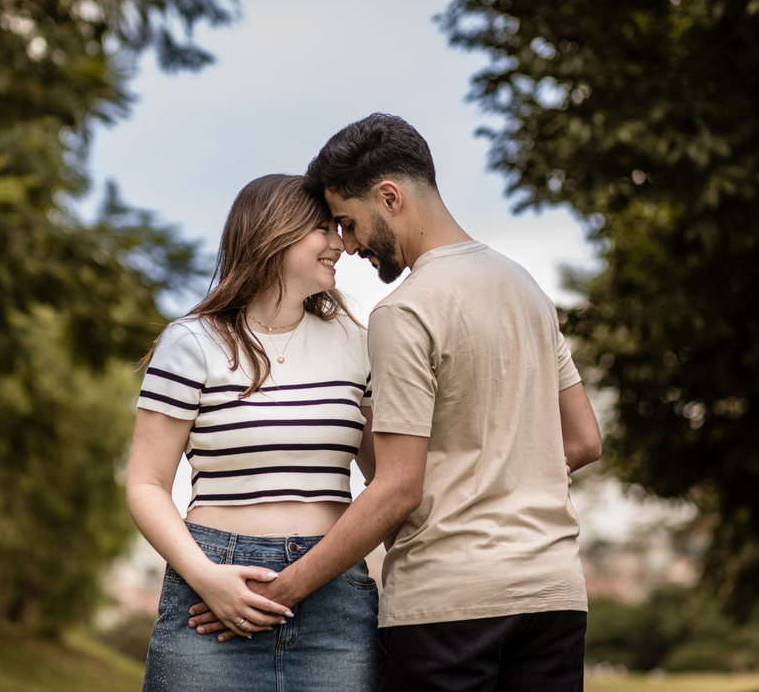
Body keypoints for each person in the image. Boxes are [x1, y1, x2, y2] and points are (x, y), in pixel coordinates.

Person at [189, 114, 602, 691]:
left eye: (349, 223)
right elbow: (584, 440)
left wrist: (283, 591)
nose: (349, 245)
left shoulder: (405, 311)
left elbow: (396, 488)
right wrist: (508, 476)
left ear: (389, 197)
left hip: (448, 607)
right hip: (554, 593)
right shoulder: (525, 287)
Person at [125, 174, 380, 692]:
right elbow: (146, 484)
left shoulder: (359, 342)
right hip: (211, 589)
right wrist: (206, 577)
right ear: (274, 233)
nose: (339, 244)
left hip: (335, 594)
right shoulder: (191, 342)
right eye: (321, 229)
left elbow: (387, 477)